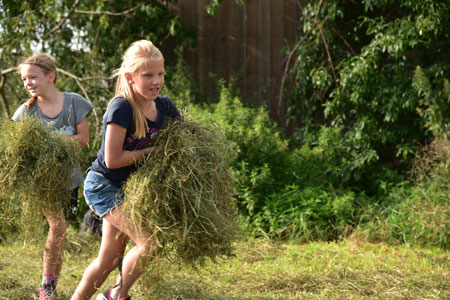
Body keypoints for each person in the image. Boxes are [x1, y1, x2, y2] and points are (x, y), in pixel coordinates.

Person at [71, 40, 180, 300]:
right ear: (130, 77)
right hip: (103, 186)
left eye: (160, 74)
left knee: (108, 260)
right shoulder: (122, 108)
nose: (156, 81)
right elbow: (112, 159)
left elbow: (182, 138)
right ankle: (116, 295)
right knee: (150, 242)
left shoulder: (163, 106)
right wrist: (146, 154)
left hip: (127, 189)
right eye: (148, 75)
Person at [12, 53, 94, 300]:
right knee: (57, 224)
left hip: (69, 179)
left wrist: (51, 141)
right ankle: (46, 288)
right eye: (25, 79)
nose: (28, 83)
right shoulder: (25, 114)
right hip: (43, 183)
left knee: (61, 229)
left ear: (51, 76)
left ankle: (51, 285)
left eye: (33, 77)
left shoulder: (73, 103)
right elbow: (18, 149)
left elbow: (83, 140)